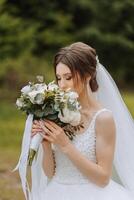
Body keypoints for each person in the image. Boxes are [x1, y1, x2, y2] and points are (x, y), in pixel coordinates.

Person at [30, 42, 134, 200]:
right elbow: (50, 173)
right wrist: (45, 144)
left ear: (88, 75)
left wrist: (65, 145)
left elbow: (103, 178)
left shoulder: (103, 118)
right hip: (56, 192)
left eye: (68, 77)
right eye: (59, 78)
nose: (62, 85)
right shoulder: (57, 112)